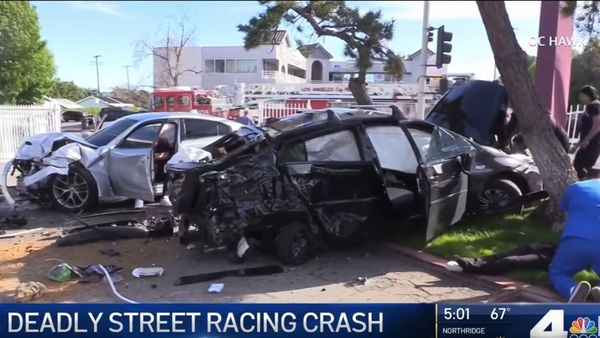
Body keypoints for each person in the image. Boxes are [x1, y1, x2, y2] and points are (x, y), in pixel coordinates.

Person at [549, 179, 600, 302]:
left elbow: (564, 211)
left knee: (557, 272)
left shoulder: (576, 187)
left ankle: (572, 290)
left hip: (575, 239)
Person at [573, 86, 600, 179]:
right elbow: (587, 129)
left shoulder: (594, 106)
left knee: (580, 166)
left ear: (589, 95)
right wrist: (577, 145)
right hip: (591, 143)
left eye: (582, 95)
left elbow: (597, 125)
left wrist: (587, 140)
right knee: (579, 166)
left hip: (592, 143)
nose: (580, 98)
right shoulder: (592, 106)